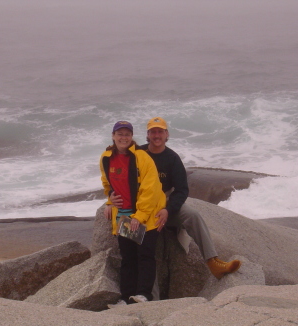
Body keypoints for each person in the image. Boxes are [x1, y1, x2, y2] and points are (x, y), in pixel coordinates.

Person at [111, 117, 241, 280]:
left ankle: (213, 262)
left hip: (163, 203)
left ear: (166, 134)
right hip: (140, 205)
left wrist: (168, 209)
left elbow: (181, 190)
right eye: (153, 132)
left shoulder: (172, 158)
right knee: (144, 247)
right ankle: (147, 296)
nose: (156, 135)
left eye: (160, 131)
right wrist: (110, 200)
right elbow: (116, 175)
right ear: (148, 134)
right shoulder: (138, 153)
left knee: (193, 215)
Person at [100, 121, 166, 308]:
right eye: (120, 134)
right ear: (113, 136)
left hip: (145, 216)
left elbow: (150, 188)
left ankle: (144, 295)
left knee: (145, 255)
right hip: (124, 216)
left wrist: (140, 216)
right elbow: (107, 183)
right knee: (128, 258)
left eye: (127, 134)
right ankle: (126, 297)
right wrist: (110, 200)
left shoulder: (142, 157)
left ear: (132, 137)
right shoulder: (106, 158)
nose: (123, 137)